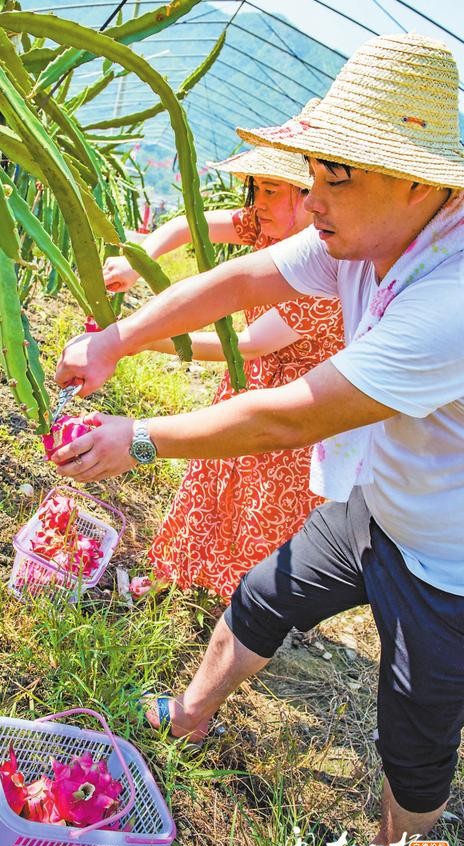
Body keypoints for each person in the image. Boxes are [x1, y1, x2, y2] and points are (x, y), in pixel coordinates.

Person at [52, 32, 464, 846]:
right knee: (262, 595)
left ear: (419, 182)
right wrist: (117, 340)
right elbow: (244, 276)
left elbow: (291, 412)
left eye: (332, 176)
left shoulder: (449, 302)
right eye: (311, 175)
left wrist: (139, 438)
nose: (311, 200)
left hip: (449, 567)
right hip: (377, 506)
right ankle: (189, 714)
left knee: (412, 750)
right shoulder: (367, 233)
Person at [105, 146, 343, 599]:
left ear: (308, 194)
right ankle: (176, 574)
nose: (259, 203)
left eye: (272, 190)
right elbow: (186, 225)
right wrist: (140, 258)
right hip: (249, 380)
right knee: (209, 479)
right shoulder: (263, 224)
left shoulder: (329, 266)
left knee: (262, 509)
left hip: (295, 408)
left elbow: (248, 344)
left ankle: (242, 608)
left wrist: (136, 340)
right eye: (256, 189)